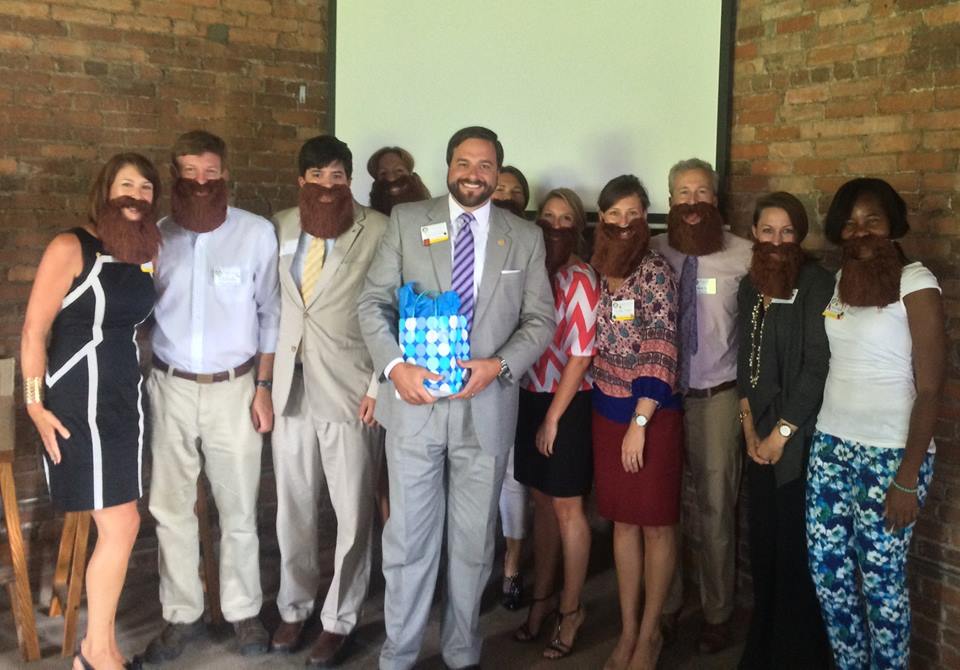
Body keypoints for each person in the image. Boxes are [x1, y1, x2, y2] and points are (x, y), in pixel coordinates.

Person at [358, 125, 555, 670]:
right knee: (407, 540)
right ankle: (398, 654)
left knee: (473, 544)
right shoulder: (407, 221)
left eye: (485, 165)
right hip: (414, 405)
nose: (474, 173)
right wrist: (394, 368)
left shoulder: (524, 237)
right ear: (448, 168)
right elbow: (373, 304)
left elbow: (541, 320)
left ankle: (462, 652)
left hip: (485, 407)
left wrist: (500, 365)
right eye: (464, 163)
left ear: (498, 173)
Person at [21, 153, 161, 670]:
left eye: (146, 188)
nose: (136, 195)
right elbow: (34, 331)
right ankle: (96, 652)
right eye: (127, 184)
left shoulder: (143, 252)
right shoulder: (71, 246)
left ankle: (100, 650)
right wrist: (34, 404)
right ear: (105, 190)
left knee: (123, 523)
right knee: (122, 524)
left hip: (125, 397)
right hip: (78, 400)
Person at [144, 130, 280, 662]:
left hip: (236, 388)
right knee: (171, 509)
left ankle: (244, 612)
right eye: (189, 172)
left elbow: (271, 313)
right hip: (170, 387)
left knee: (239, 506)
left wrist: (263, 388)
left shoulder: (256, 233)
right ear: (174, 175)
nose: (200, 182)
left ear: (225, 175)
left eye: (210, 172)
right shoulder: (156, 236)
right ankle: (182, 615)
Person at [806, 178, 946, 670]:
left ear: (893, 225)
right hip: (831, 445)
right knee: (829, 572)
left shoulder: (915, 281)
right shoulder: (840, 280)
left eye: (872, 220)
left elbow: (932, 387)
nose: (860, 231)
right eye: (849, 223)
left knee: (881, 581)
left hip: (890, 453)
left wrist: (907, 478)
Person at [269, 136, 387, 665]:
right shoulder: (279, 226)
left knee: (352, 513)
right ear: (301, 180)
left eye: (337, 176)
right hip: (290, 389)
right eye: (317, 175)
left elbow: (393, 310)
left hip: (351, 390)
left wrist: (378, 385)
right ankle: (294, 608)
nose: (327, 185)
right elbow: (272, 307)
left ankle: (340, 618)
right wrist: (262, 384)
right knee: (292, 508)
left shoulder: (379, 229)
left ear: (350, 181)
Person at [650, 158, 751, 653]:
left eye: (702, 192)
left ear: (716, 199)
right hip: (662, 399)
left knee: (716, 511)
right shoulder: (652, 251)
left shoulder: (744, 254)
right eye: (683, 193)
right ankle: (665, 605)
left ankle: (717, 612)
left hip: (717, 398)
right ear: (670, 201)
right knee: (662, 509)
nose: (693, 202)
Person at [735, 192, 832, 669]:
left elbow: (817, 365)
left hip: (798, 439)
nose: (776, 241)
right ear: (754, 233)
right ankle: (764, 648)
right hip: (758, 438)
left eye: (787, 231)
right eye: (768, 230)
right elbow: (744, 361)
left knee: (795, 553)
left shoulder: (817, 283)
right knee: (765, 549)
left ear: (800, 235)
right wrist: (750, 430)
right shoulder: (749, 285)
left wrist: (780, 435)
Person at [590, 175, 681, 670]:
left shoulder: (655, 271)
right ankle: (626, 632)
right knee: (623, 524)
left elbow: (661, 345)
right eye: (614, 214)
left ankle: (650, 635)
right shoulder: (597, 268)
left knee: (656, 527)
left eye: (633, 214)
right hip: (606, 411)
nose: (623, 223)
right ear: (602, 218)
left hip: (651, 416)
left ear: (645, 218)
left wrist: (640, 422)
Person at [511, 188, 598, 659]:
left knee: (567, 509)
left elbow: (581, 357)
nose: (556, 226)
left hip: (567, 404)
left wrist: (552, 419)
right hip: (530, 397)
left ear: (578, 228)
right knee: (541, 504)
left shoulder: (580, 277)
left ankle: (571, 610)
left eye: (566, 219)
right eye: (548, 216)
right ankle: (542, 600)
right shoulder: (531, 269)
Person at [491, 162, 532, 611]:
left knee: (513, 476)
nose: (504, 196)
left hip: (522, 377)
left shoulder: (532, 243)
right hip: (471, 378)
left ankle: (513, 564)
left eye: (514, 191)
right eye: (498, 188)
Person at [367, 146, 431, 216]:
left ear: (411, 175)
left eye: (399, 170)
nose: (391, 178)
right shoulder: (369, 219)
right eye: (383, 173)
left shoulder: (432, 212)